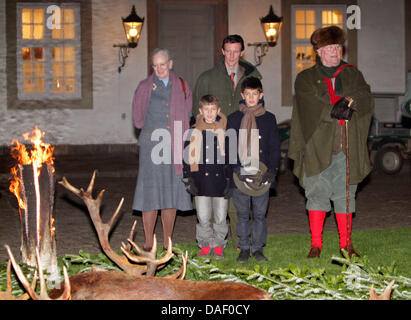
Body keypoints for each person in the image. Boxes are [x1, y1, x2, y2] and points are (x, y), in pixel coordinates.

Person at [288, 26, 374, 258]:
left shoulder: (352, 74)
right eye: (328, 48)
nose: (334, 52)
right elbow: (309, 105)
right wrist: (333, 110)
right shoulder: (305, 78)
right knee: (317, 192)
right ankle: (316, 244)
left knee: (345, 193)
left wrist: (349, 101)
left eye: (337, 47)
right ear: (318, 51)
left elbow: (365, 96)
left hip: (347, 146)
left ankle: (346, 244)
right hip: (317, 147)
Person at [193, 34, 262, 250]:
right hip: (215, 140)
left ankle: (237, 238)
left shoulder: (251, 74)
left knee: (238, 186)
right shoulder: (207, 78)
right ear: (222, 51)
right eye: (228, 51)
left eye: (236, 51)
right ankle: (210, 239)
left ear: (242, 52)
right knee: (215, 187)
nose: (232, 56)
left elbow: (259, 104)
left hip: (242, 136)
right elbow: (195, 112)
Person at [132, 48, 192, 251]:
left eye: (162, 64)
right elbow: (138, 118)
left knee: (170, 193)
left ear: (171, 63)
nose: (159, 69)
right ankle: (149, 241)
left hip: (174, 144)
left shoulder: (182, 85)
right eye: (155, 65)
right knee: (150, 194)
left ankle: (167, 240)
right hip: (151, 146)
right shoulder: (144, 87)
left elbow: (189, 110)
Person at [226, 76, 281, 262]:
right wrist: (235, 168)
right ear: (242, 95)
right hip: (240, 174)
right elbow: (229, 146)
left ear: (261, 95)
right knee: (242, 213)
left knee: (259, 214)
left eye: (254, 94)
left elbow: (274, 147)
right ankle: (243, 247)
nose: (250, 98)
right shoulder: (234, 119)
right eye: (247, 94)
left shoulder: (269, 119)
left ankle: (258, 248)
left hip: (261, 173)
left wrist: (272, 171)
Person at [183, 95, 230, 259]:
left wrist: (230, 180)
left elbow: (231, 159)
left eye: (213, 110)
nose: (209, 113)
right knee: (203, 216)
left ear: (218, 111)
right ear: (200, 111)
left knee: (220, 216)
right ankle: (204, 244)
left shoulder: (226, 132)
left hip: (220, 182)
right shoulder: (193, 132)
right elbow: (187, 157)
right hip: (201, 181)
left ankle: (218, 245)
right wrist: (188, 178)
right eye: (206, 110)